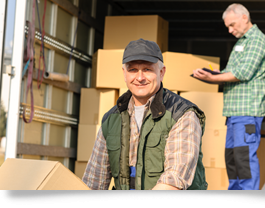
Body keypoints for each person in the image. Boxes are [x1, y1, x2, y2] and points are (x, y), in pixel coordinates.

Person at [82, 38, 208, 190]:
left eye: (147, 69)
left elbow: (174, 180)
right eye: (133, 70)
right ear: (124, 74)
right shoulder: (111, 119)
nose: (140, 78)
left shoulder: (182, 114)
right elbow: (94, 180)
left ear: (161, 73)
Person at [193, 3, 265, 190]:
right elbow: (230, 72)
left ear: (245, 17)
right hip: (234, 113)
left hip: (248, 111)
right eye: (228, 26)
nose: (230, 30)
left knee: (243, 158)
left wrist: (213, 77)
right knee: (232, 158)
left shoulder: (256, 41)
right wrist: (211, 75)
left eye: (232, 24)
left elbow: (242, 73)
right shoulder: (242, 42)